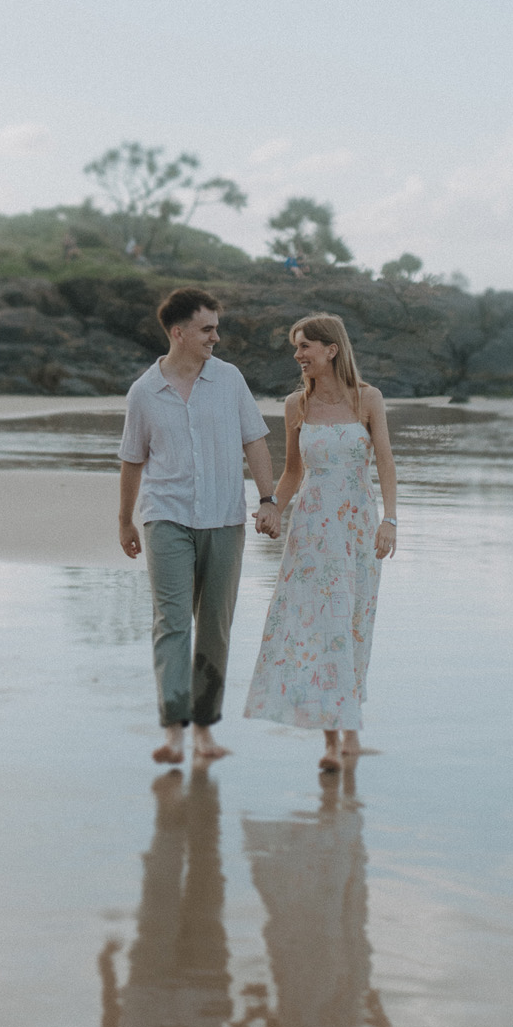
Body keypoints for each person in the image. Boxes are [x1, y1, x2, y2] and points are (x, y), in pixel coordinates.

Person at [119, 287, 280, 768]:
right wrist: (124, 519)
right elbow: (132, 461)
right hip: (165, 516)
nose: (216, 336)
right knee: (171, 622)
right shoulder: (145, 391)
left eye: (215, 327)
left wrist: (268, 500)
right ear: (179, 332)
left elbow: (255, 443)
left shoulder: (229, 380)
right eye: (207, 328)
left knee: (215, 626)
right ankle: (174, 730)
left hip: (225, 518)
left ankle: (206, 730)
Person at [243, 313, 397, 771]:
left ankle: (351, 728)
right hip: (312, 531)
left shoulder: (368, 398)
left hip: (357, 527)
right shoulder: (297, 405)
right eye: (296, 347)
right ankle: (332, 741)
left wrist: (390, 520)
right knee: (320, 627)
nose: (298, 355)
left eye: (305, 346)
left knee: (352, 624)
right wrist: (272, 506)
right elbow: (293, 472)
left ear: (332, 349)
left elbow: (385, 462)